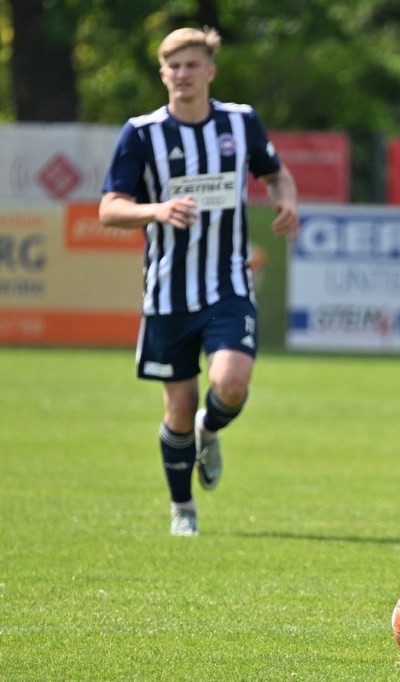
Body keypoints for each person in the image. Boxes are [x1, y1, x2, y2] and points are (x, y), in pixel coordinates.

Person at [98, 26, 299, 536]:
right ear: (163, 73)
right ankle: (183, 509)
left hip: (228, 284)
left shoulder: (240, 121)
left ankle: (211, 429)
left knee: (230, 382)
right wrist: (157, 210)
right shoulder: (141, 133)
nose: (182, 74)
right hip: (168, 292)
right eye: (174, 66)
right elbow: (109, 208)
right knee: (180, 405)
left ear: (210, 71)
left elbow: (275, 173)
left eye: (192, 65)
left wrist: (287, 201)